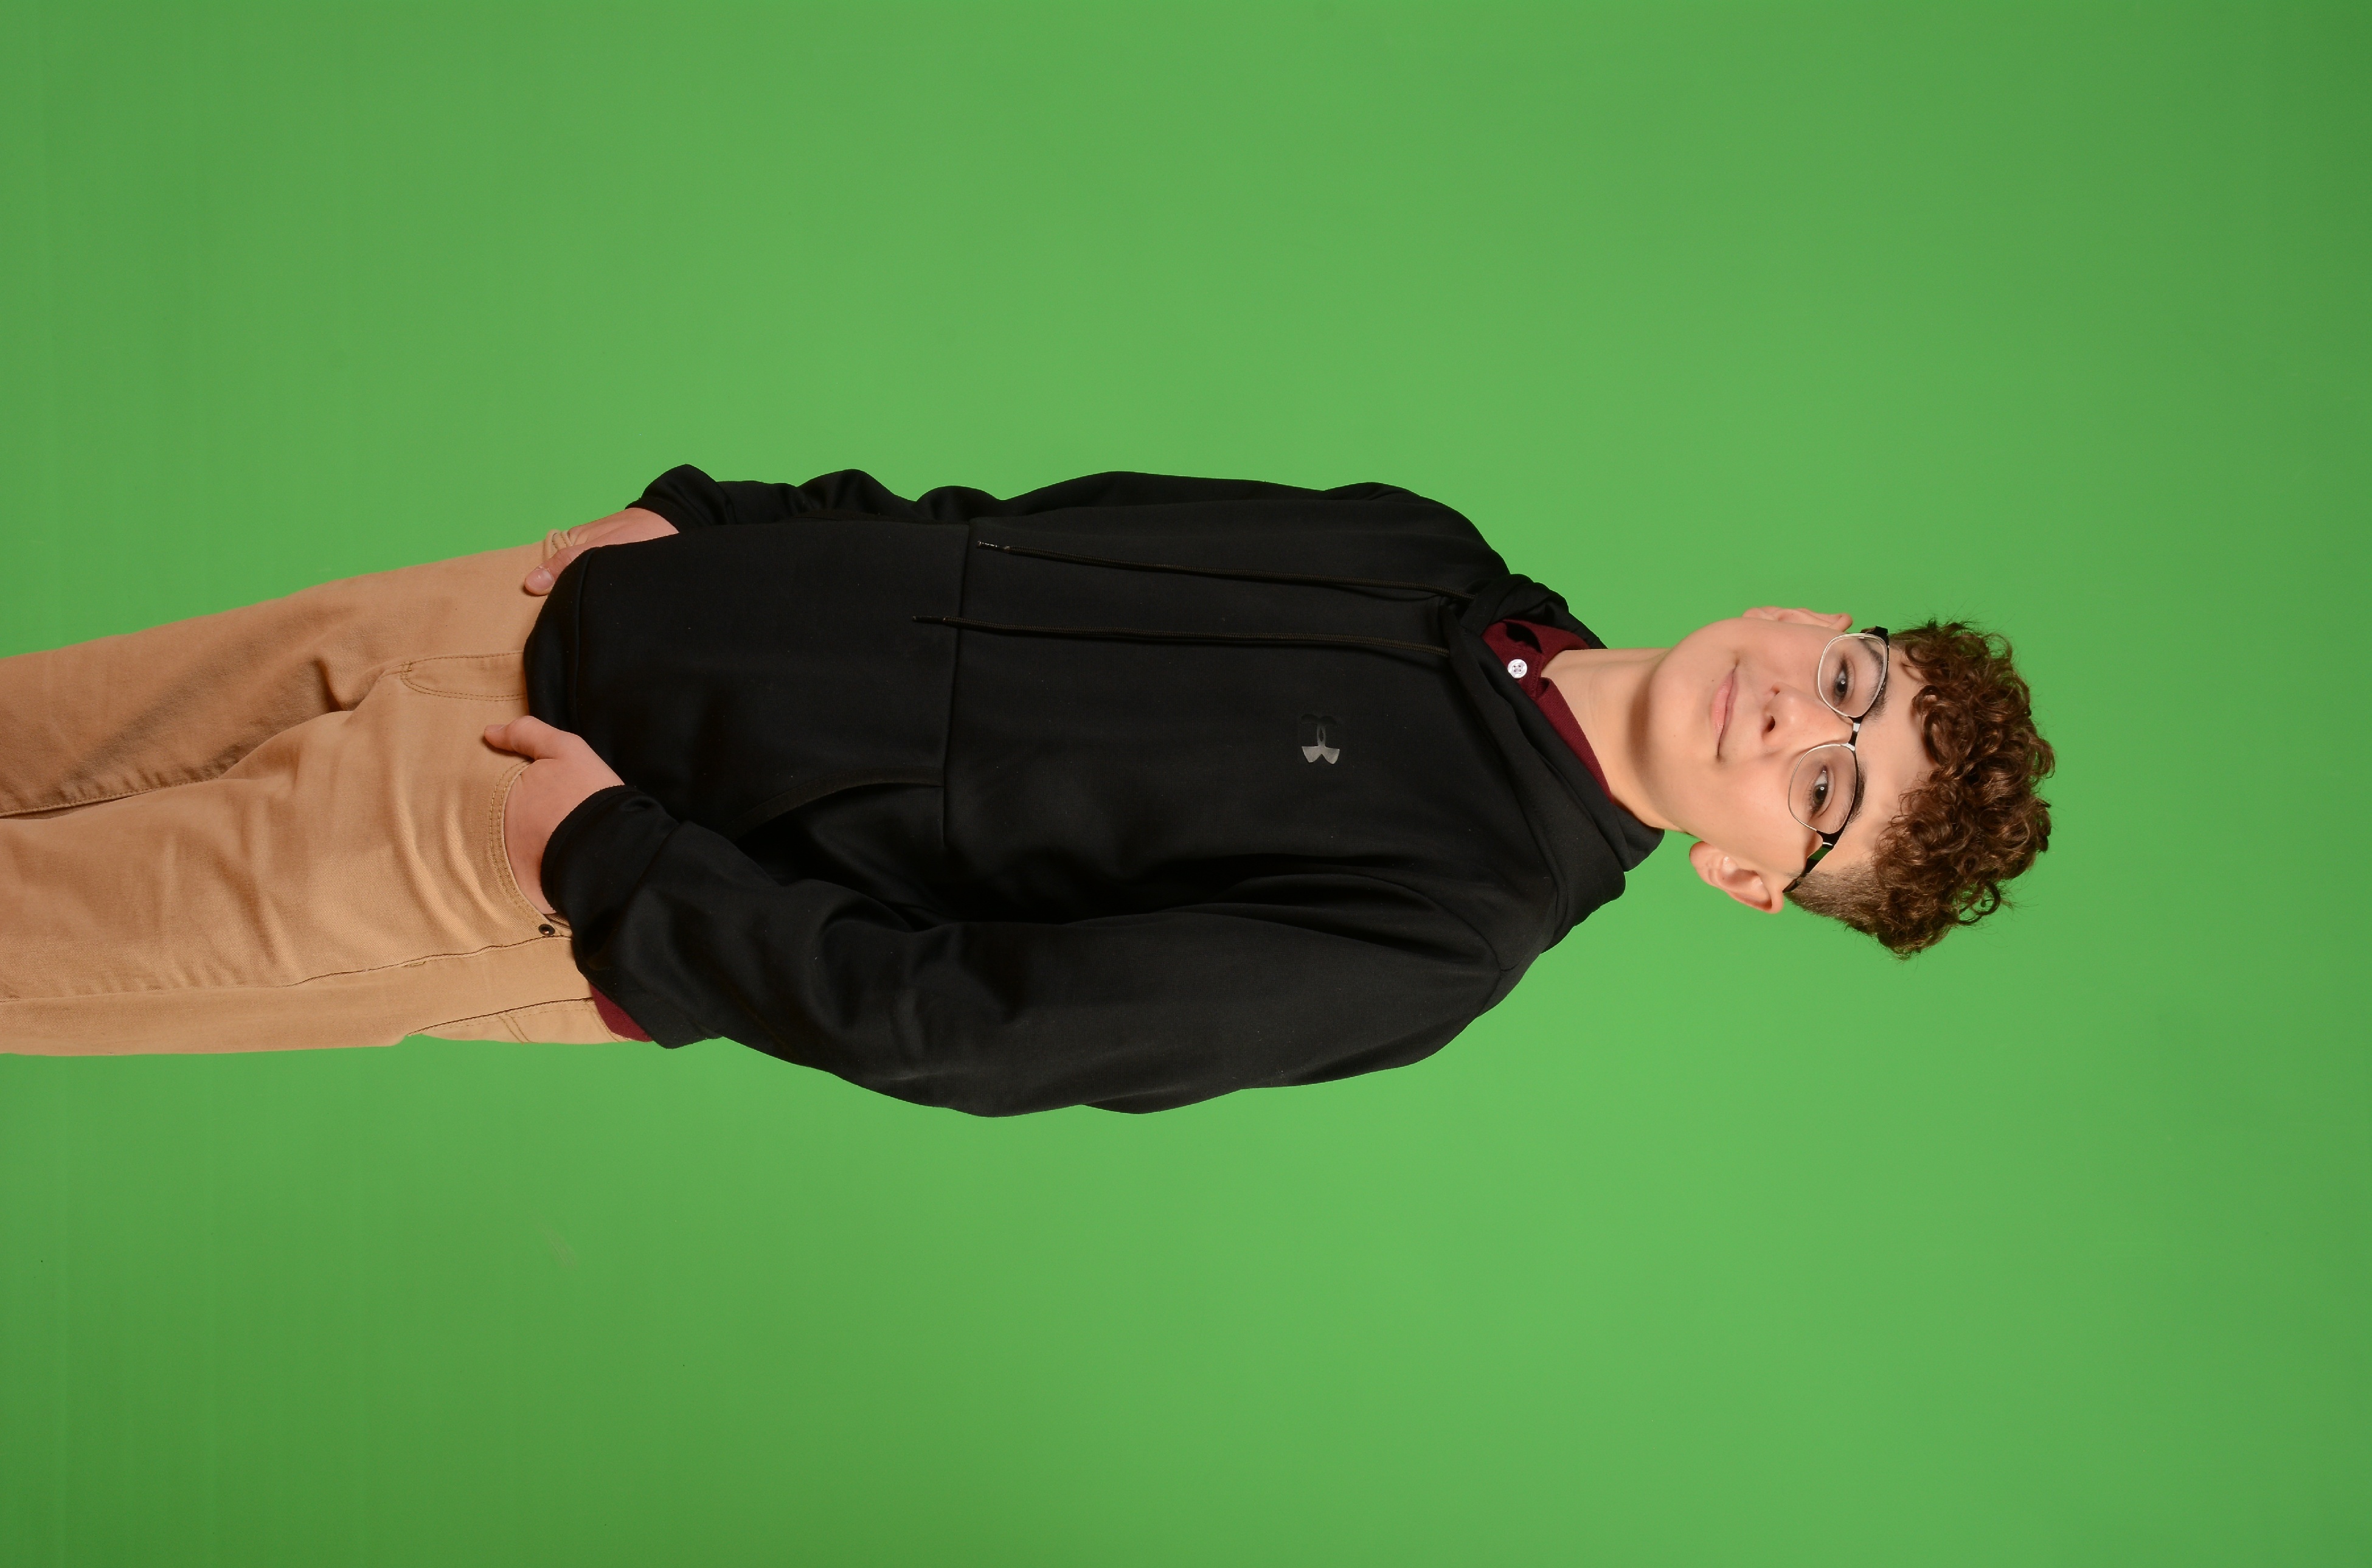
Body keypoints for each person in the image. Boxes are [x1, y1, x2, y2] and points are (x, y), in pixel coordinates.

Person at [0, 466, 2053, 1112]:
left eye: (1827, 793)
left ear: (1747, 878)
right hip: (501, 614)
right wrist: (714, 519)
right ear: (1814, 619)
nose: (1791, 726)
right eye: (1847, 685)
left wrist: (602, 852)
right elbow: (1009, 526)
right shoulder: (1426, 553)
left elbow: (968, 1024)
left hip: (523, 842)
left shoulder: (1441, 933)